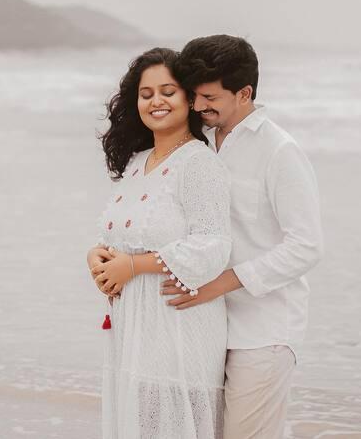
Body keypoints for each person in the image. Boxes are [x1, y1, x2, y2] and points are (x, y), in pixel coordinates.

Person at [164, 35, 324, 439]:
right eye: (195, 96)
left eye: (210, 97)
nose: (199, 106)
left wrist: (221, 284)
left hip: (264, 330)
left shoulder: (279, 151)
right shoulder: (196, 143)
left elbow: (306, 246)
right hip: (205, 323)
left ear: (245, 92)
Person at [87, 47, 232, 439]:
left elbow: (214, 245)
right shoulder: (138, 161)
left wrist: (133, 267)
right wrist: (96, 257)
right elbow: (119, 233)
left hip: (178, 329)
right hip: (133, 330)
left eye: (168, 91)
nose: (157, 101)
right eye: (146, 93)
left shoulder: (198, 164)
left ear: (188, 98)